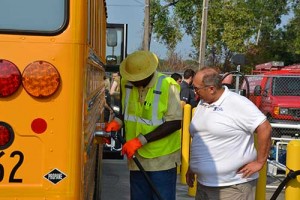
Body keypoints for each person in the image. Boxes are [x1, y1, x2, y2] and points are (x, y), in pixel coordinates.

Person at [186, 67, 272, 200]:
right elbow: (200, 138)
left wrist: (260, 162)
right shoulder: (202, 104)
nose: (195, 92)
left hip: (231, 187)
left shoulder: (237, 103)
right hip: (204, 185)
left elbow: (265, 127)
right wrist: (193, 168)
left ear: (211, 89)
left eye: (197, 88)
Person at [119, 50, 182, 200]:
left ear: (147, 74)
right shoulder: (126, 83)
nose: (131, 80)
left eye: (135, 78)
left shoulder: (168, 85)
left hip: (162, 159)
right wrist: (117, 121)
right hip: (136, 157)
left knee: (162, 197)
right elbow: (127, 110)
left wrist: (141, 140)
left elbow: (175, 122)